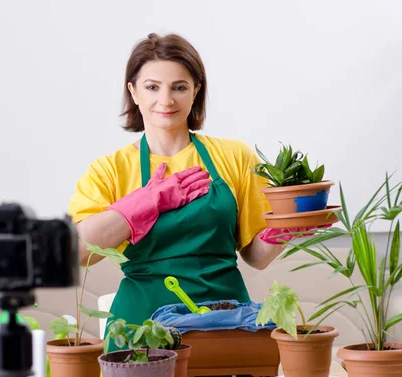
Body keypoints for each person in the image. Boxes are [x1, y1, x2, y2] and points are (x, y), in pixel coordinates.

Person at [68, 33, 309, 349]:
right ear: (133, 92)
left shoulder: (234, 156)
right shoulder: (110, 170)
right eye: (152, 87)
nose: (166, 100)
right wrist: (145, 202)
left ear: (196, 90)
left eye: (179, 87)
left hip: (225, 323)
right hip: (140, 328)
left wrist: (289, 226)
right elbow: (79, 253)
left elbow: (256, 257)